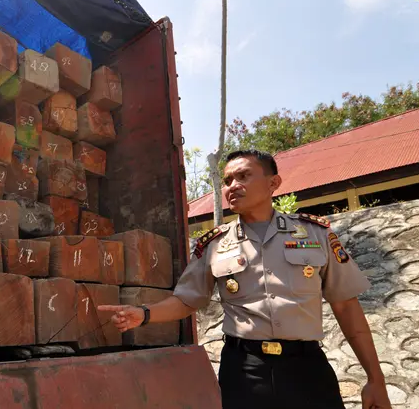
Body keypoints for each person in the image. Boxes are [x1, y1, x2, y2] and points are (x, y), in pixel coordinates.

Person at [98, 150, 391, 409]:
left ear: (273, 183)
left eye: (244, 176)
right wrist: (145, 314)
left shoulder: (316, 235)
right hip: (245, 371)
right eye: (227, 181)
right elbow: (187, 300)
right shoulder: (214, 245)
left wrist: (375, 379)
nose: (232, 186)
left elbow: (347, 308)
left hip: (307, 369)